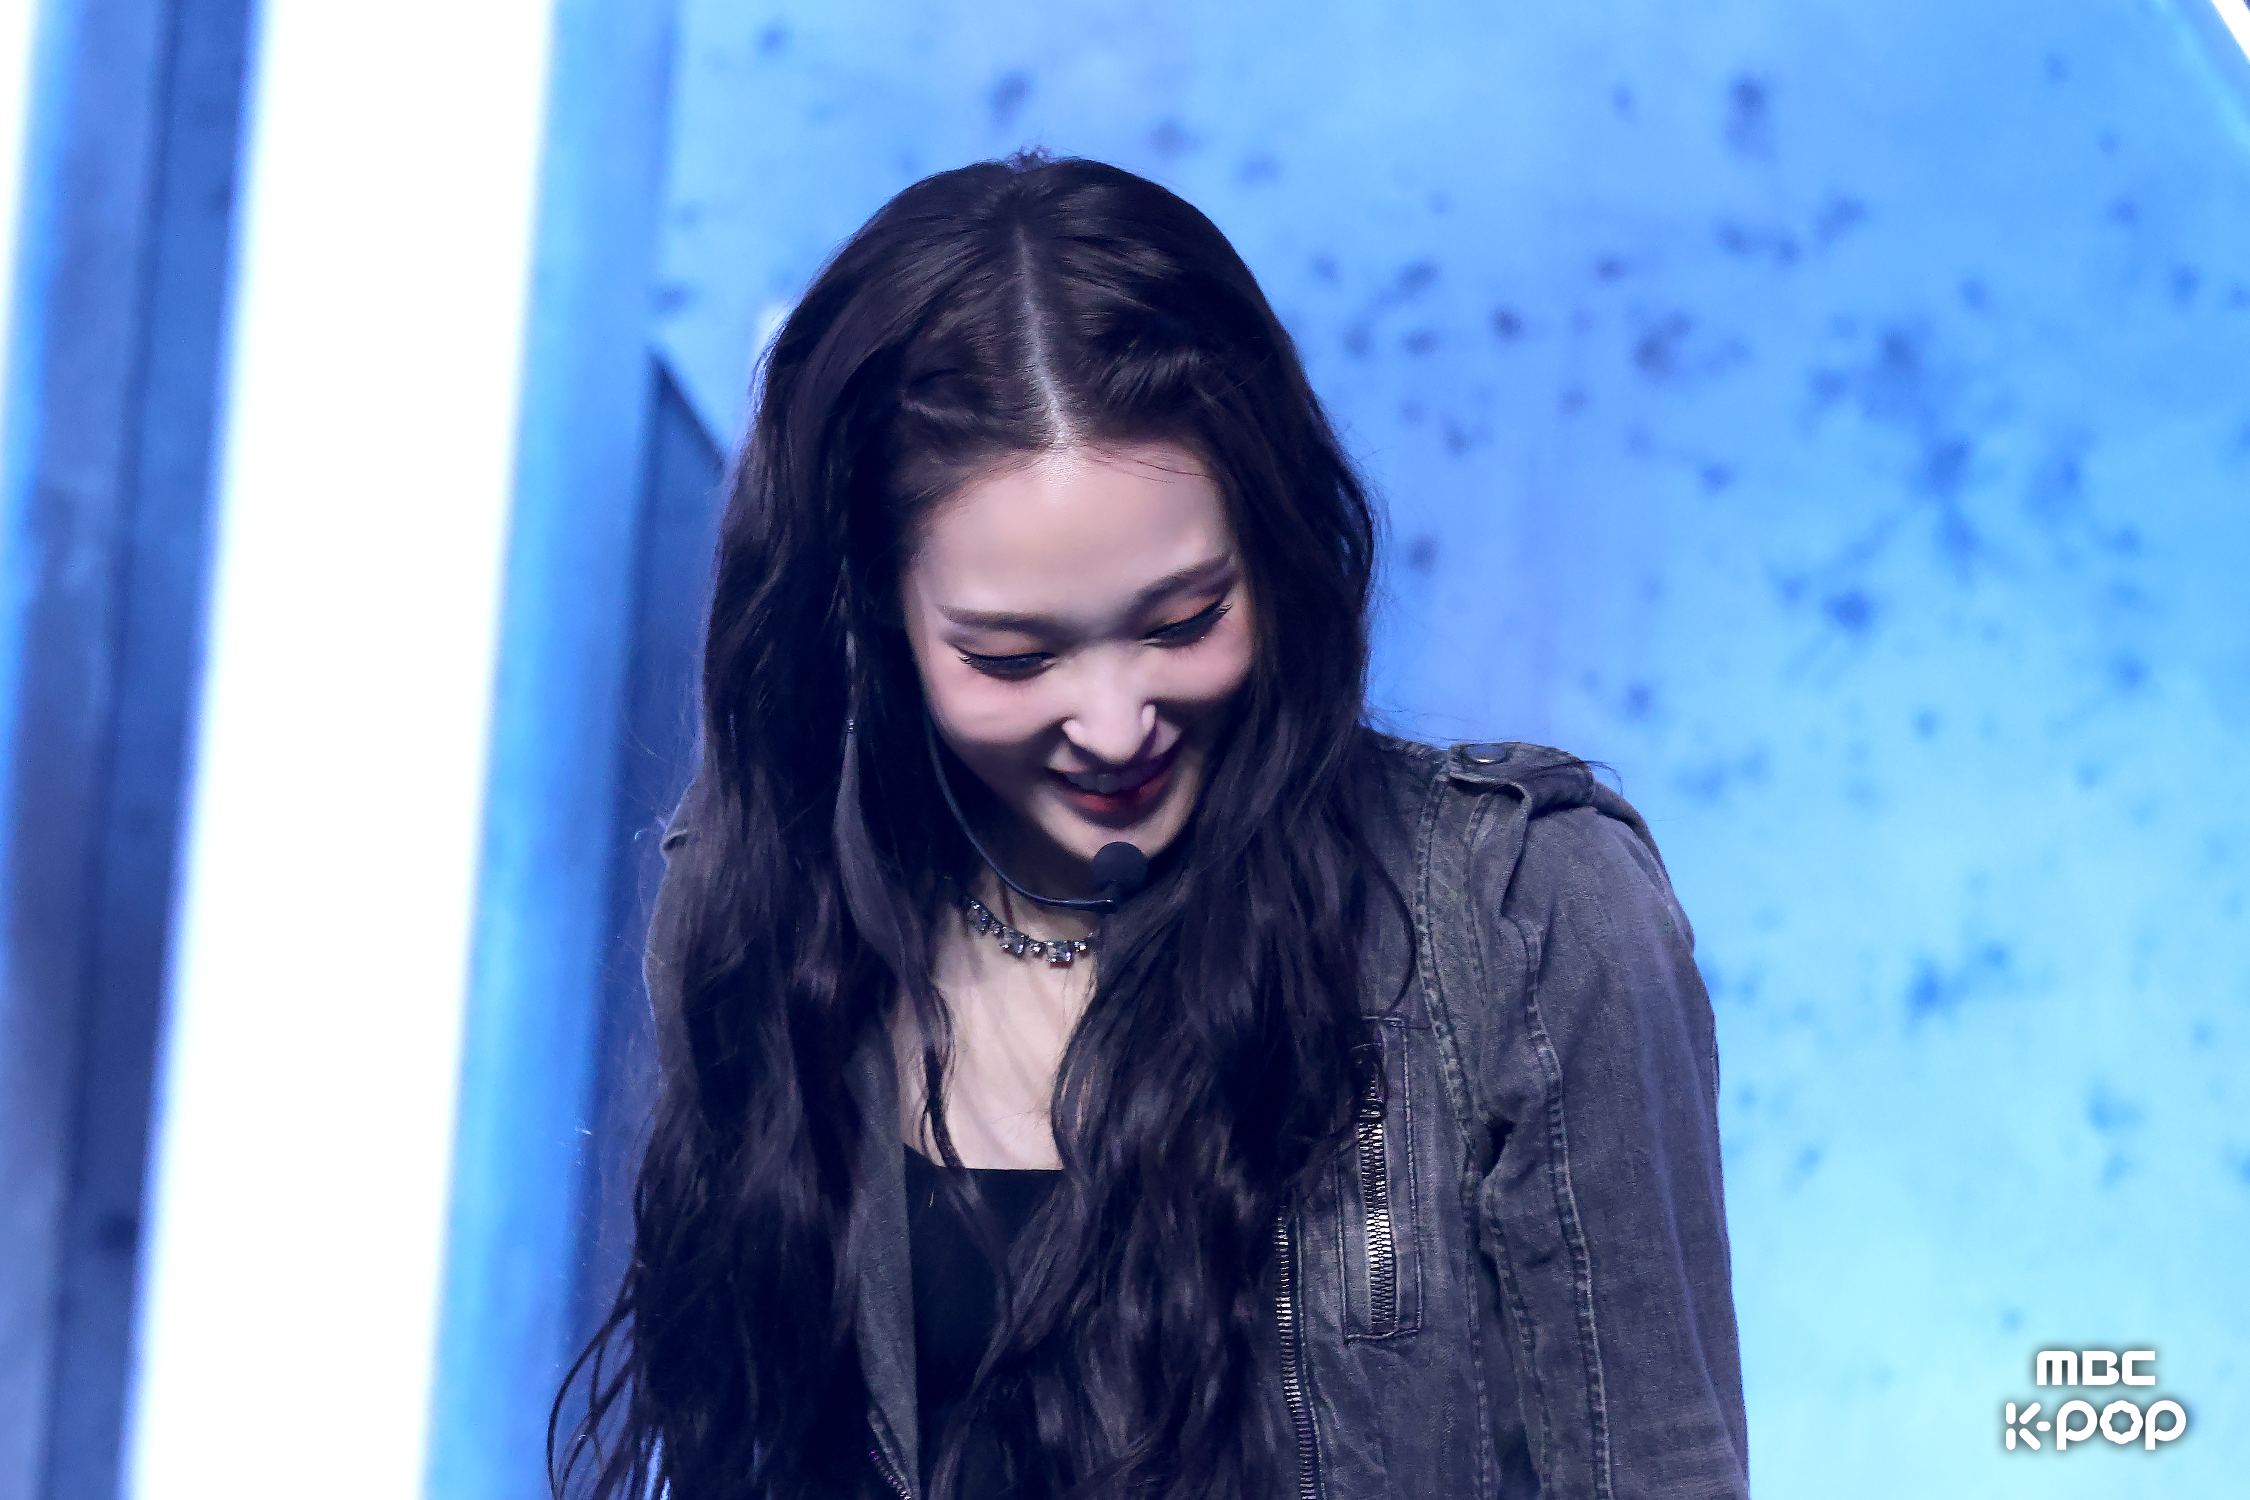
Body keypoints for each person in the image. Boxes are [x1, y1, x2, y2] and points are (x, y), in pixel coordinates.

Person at [555, 153, 1747, 1500]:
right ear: (875, 621)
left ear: (1278, 549)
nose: (1117, 726)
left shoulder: (1525, 913)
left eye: (1185, 620)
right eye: (1012, 657)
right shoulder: (765, 911)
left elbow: (1660, 1468)